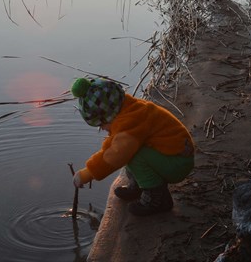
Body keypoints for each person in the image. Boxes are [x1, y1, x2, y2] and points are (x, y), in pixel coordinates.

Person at [71, 76, 194, 216]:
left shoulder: (130, 123)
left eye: (101, 124)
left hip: (177, 163)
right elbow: (112, 145)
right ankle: (140, 186)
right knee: (128, 148)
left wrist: (88, 173)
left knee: (131, 154)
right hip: (172, 155)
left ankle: (157, 199)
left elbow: (116, 156)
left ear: (108, 116)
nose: (103, 129)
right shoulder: (128, 108)